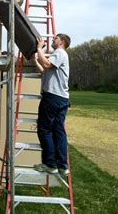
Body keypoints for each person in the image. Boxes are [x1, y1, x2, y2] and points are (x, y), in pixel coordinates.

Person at [33, 34, 71, 175]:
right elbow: (45, 71)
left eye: (55, 38)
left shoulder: (59, 53)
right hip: (61, 99)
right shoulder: (59, 56)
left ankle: (50, 164)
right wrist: (36, 60)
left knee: (44, 130)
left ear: (61, 42)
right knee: (58, 131)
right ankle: (62, 166)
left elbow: (47, 64)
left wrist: (39, 48)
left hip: (52, 98)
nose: (52, 40)